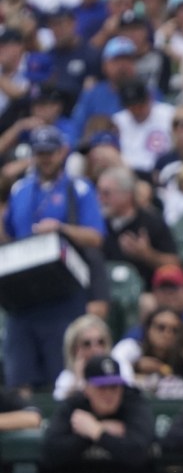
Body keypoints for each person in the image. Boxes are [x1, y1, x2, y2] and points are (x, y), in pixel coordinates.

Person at [1, 125, 105, 393]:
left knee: (60, 376)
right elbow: (9, 237)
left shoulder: (78, 188)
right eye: (39, 152)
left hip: (62, 290)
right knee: (19, 377)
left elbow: (96, 237)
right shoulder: (20, 189)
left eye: (50, 152)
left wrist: (61, 229)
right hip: (23, 294)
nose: (45, 158)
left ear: (62, 152)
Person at [40, 355, 157, 473]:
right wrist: (88, 435)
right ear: (87, 388)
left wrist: (97, 432)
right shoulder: (74, 406)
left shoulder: (133, 403)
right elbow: (50, 453)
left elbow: (139, 451)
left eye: (114, 387)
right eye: (102, 387)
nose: (109, 393)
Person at [97, 165, 179, 285]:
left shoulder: (151, 221)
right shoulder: (97, 224)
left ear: (127, 194)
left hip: (145, 291)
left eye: (107, 193)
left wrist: (148, 255)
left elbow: (175, 265)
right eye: (98, 192)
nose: (100, 199)